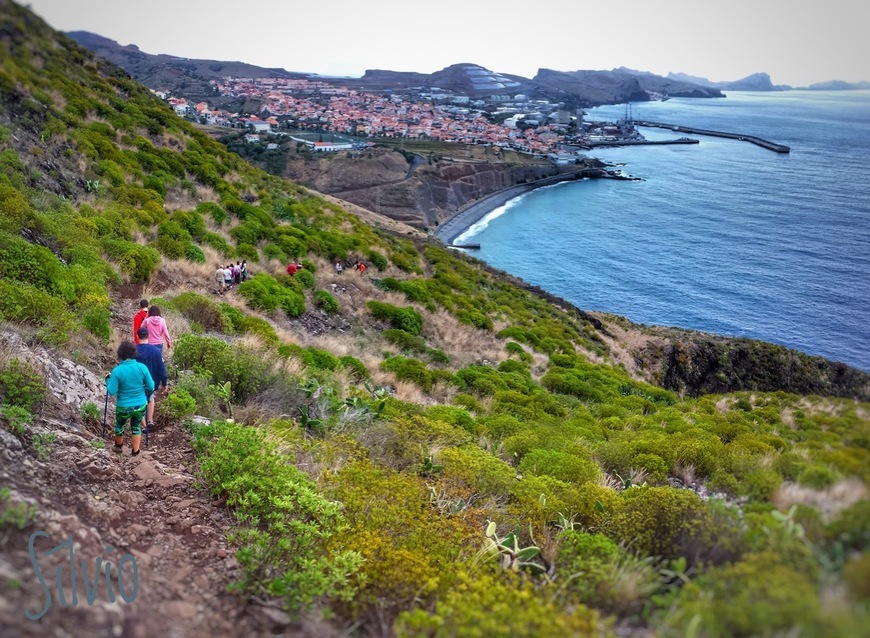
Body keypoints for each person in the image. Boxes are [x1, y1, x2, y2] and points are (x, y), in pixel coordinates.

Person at [106, 340, 154, 456]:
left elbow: (112, 391)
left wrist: (107, 380)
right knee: (136, 426)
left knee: (120, 425)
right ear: (134, 353)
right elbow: (151, 386)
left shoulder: (117, 371)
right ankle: (136, 452)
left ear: (120, 354)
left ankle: (118, 447)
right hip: (140, 404)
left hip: (123, 405)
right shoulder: (142, 367)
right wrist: (145, 392)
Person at [136, 327, 168, 432]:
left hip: (138, 382)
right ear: (148, 336)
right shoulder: (156, 351)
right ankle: (150, 421)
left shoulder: (134, 351)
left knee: (139, 402)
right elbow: (161, 368)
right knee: (150, 399)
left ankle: (143, 425)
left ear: (137, 336)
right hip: (152, 381)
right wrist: (164, 382)